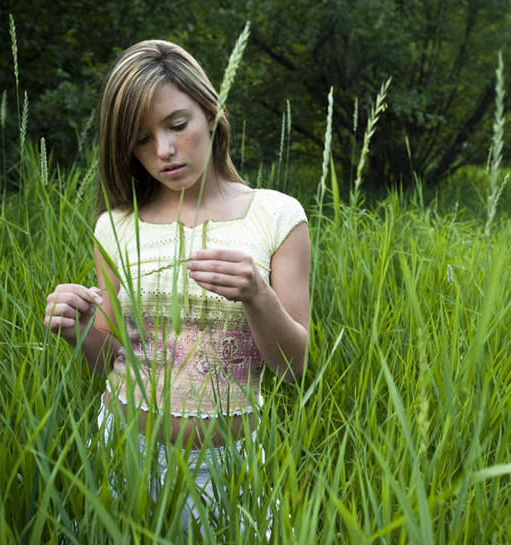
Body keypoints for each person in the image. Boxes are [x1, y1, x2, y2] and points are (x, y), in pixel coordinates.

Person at [43, 39, 310, 531]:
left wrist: (258, 294)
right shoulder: (116, 226)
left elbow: (292, 368)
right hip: (124, 453)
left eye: (177, 125)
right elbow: (109, 359)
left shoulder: (276, 214)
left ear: (210, 113)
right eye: (142, 139)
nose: (163, 151)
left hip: (228, 466)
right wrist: (78, 329)